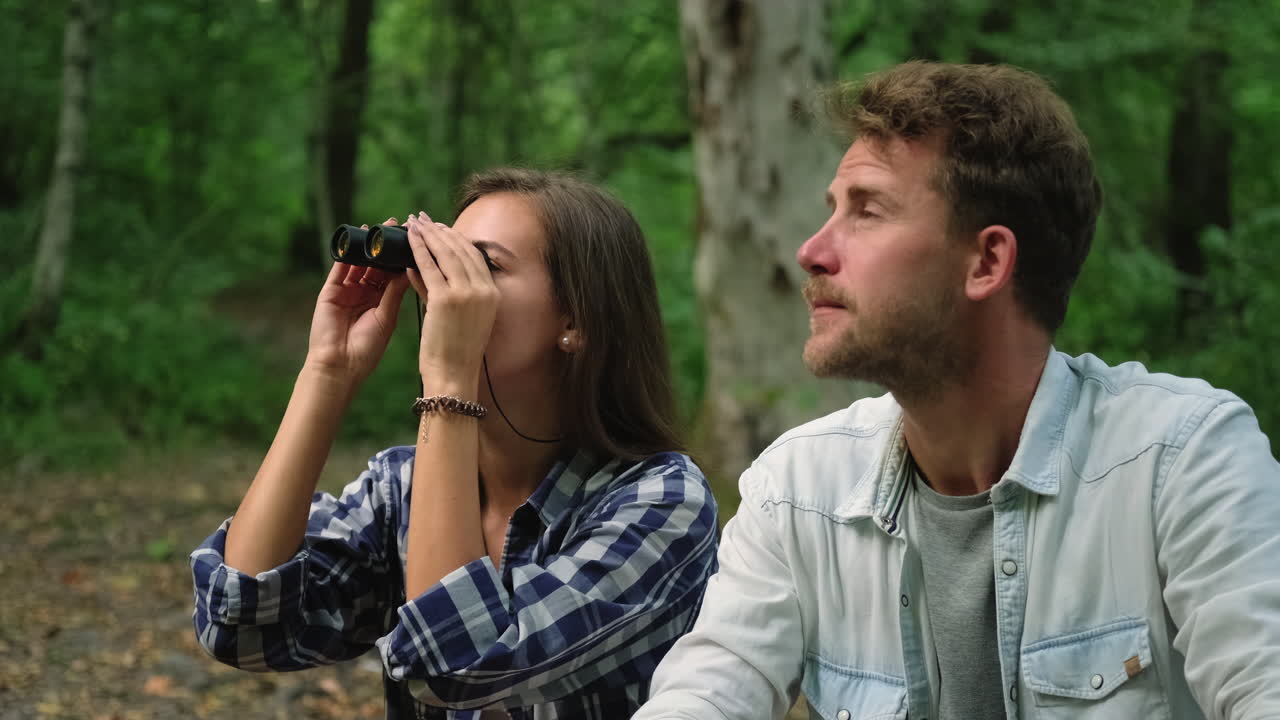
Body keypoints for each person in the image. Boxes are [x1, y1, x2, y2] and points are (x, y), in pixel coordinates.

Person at [635, 61, 1280, 720]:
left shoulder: (1182, 461)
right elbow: (706, 692)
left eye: (867, 211)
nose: (812, 250)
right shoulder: (799, 489)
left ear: (987, 262)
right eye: (832, 211)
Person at [189, 168, 718, 719]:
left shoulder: (663, 503)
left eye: (482, 266)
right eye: (440, 263)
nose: (445, 290)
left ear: (577, 319)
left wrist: (447, 382)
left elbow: (455, 667)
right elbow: (241, 624)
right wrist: (327, 371)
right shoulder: (401, 487)